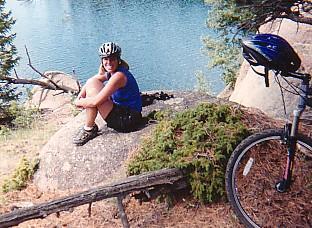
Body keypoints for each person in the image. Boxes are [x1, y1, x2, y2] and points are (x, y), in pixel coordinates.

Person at [73, 42, 142, 146]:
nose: (109, 62)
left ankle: (89, 129)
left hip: (127, 120)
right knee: (92, 83)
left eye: (112, 59)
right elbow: (92, 80)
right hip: (125, 112)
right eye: (105, 59)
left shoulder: (119, 76)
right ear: (102, 61)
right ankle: (90, 126)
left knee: (93, 97)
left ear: (118, 60)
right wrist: (82, 93)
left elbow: (95, 102)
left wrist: (78, 102)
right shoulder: (113, 72)